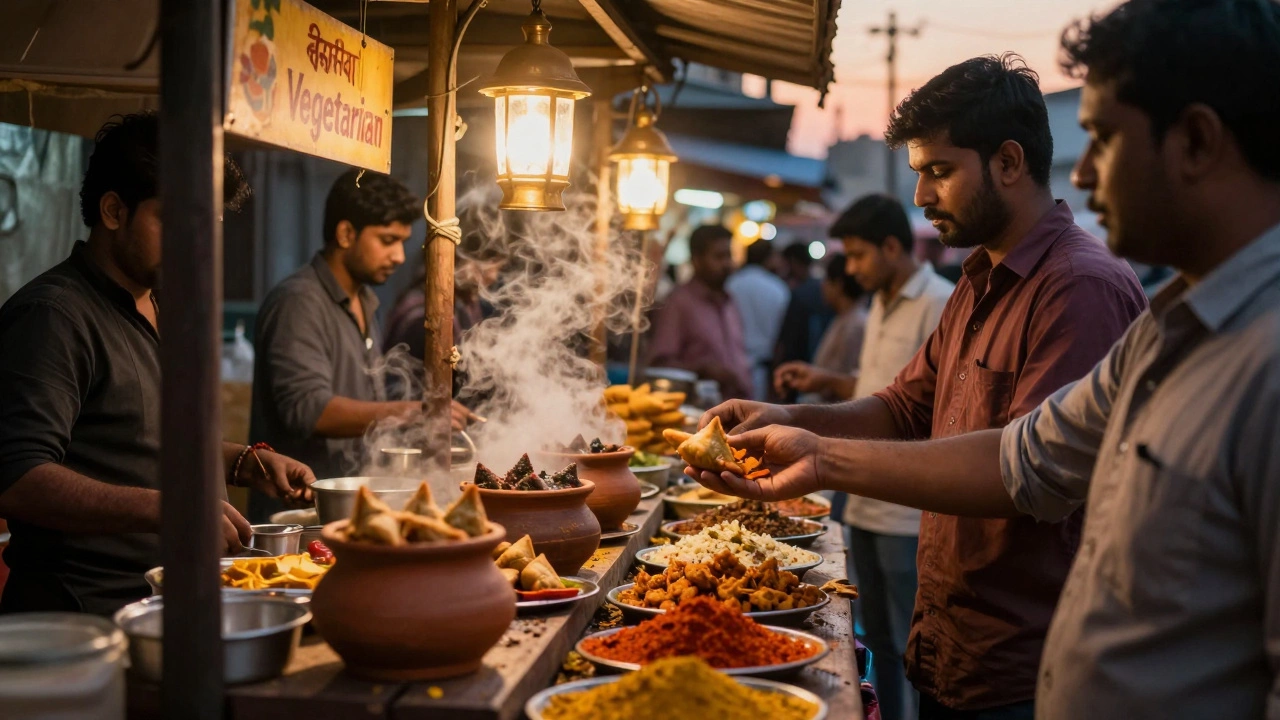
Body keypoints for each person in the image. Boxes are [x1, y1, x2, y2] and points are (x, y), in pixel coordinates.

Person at [695, 2, 1280, 716]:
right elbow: (1019, 453)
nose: (1087, 174)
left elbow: (1024, 483)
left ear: (1195, 141)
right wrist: (802, 432)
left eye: (1102, 140)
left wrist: (820, 456)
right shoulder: (1165, 330)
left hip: (1010, 669)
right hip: (964, 653)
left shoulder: (1105, 294)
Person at [0, 113, 315, 616]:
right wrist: (172, 508)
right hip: (85, 617)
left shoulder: (162, 304)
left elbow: (137, 438)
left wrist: (239, 461)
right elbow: (18, 479)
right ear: (112, 210)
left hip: (166, 602)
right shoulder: (54, 317)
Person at [776, 194, 954, 720]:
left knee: (906, 642)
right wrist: (826, 381)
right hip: (863, 504)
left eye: (857, 256)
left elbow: (932, 410)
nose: (849, 269)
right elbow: (885, 393)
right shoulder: (881, 299)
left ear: (893, 247)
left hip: (905, 511)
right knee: (875, 637)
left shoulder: (937, 303)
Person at [249, 170, 474, 522]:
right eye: (387, 240)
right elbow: (308, 409)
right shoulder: (299, 302)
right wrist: (417, 410)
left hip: (352, 510)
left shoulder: (367, 301)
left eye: (403, 242)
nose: (400, 256)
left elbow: (369, 405)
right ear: (345, 233)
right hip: (301, 517)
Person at [648, 224, 752, 400]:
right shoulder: (679, 303)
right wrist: (702, 370)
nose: (727, 264)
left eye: (729, 256)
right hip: (699, 412)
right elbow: (660, 365)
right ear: (697, 260)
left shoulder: (729, 301)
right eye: (719, 257)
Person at [795, 253, 867, 402]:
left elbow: (846, 378)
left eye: (826, 280)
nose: (822, 286)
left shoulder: (855, 325)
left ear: (838, 284)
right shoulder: (844, 318)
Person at [726, 239, 790, 400]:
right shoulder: (777, 288)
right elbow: (781, 336)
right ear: (768, 258)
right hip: (760, 368)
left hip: (729, 367)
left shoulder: (730, 284)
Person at [774, 242, 835, 373]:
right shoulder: (820, 290)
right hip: (818, 366)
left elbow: (788, 339)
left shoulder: (800, 294)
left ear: (793, 263)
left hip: (798, 367)